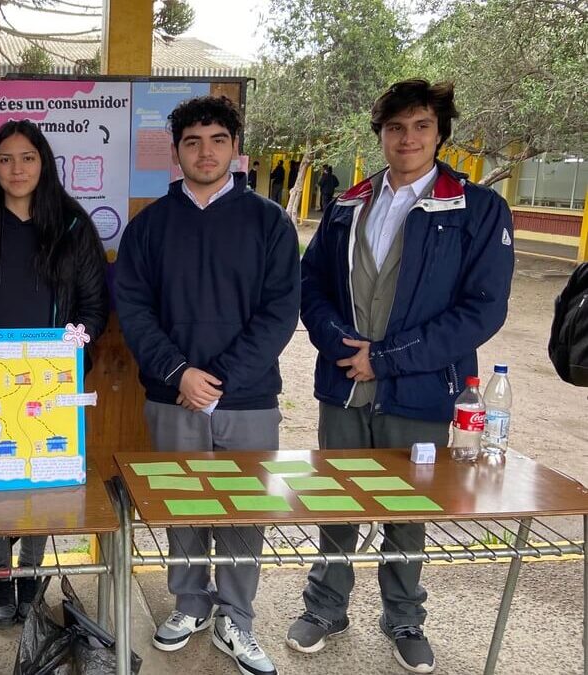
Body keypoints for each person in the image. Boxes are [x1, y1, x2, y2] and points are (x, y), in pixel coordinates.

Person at [291, 79, 514, 674]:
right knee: (336, 495)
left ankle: (404, 614)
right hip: (343, 382)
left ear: (440, 133)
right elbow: (309, 283)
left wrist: (385, 359)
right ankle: (325, 605)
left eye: (420, 126)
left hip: (420, 388)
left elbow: (482, 309)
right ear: (381, 135)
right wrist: (341, 345)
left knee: (407, 505)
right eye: (395, 128)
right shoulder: (348, 203)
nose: (407, 138)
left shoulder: (476, 208)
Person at [114, 95, 300, 675]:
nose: (205, 151)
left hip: (247, 398)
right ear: (176, 152)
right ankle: (189, 604)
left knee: (246, 512)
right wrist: (179, 374)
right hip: (173, 396)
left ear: (235, 148)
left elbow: (279, 313)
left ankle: (237, 620)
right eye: (192, 142)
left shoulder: (269, 222)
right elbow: (134, 309)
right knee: (184, 505)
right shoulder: (150, 226)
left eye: (218, 140)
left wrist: (220, 380)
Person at [0, 119, 109, 628]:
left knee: (43, 474)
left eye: (27, 158)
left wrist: (71, 352)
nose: (16, 169)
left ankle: (30, 575)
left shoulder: (71, 224)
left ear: (44, 163)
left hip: (51, 380)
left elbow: (93, 306)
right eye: (5, 159)